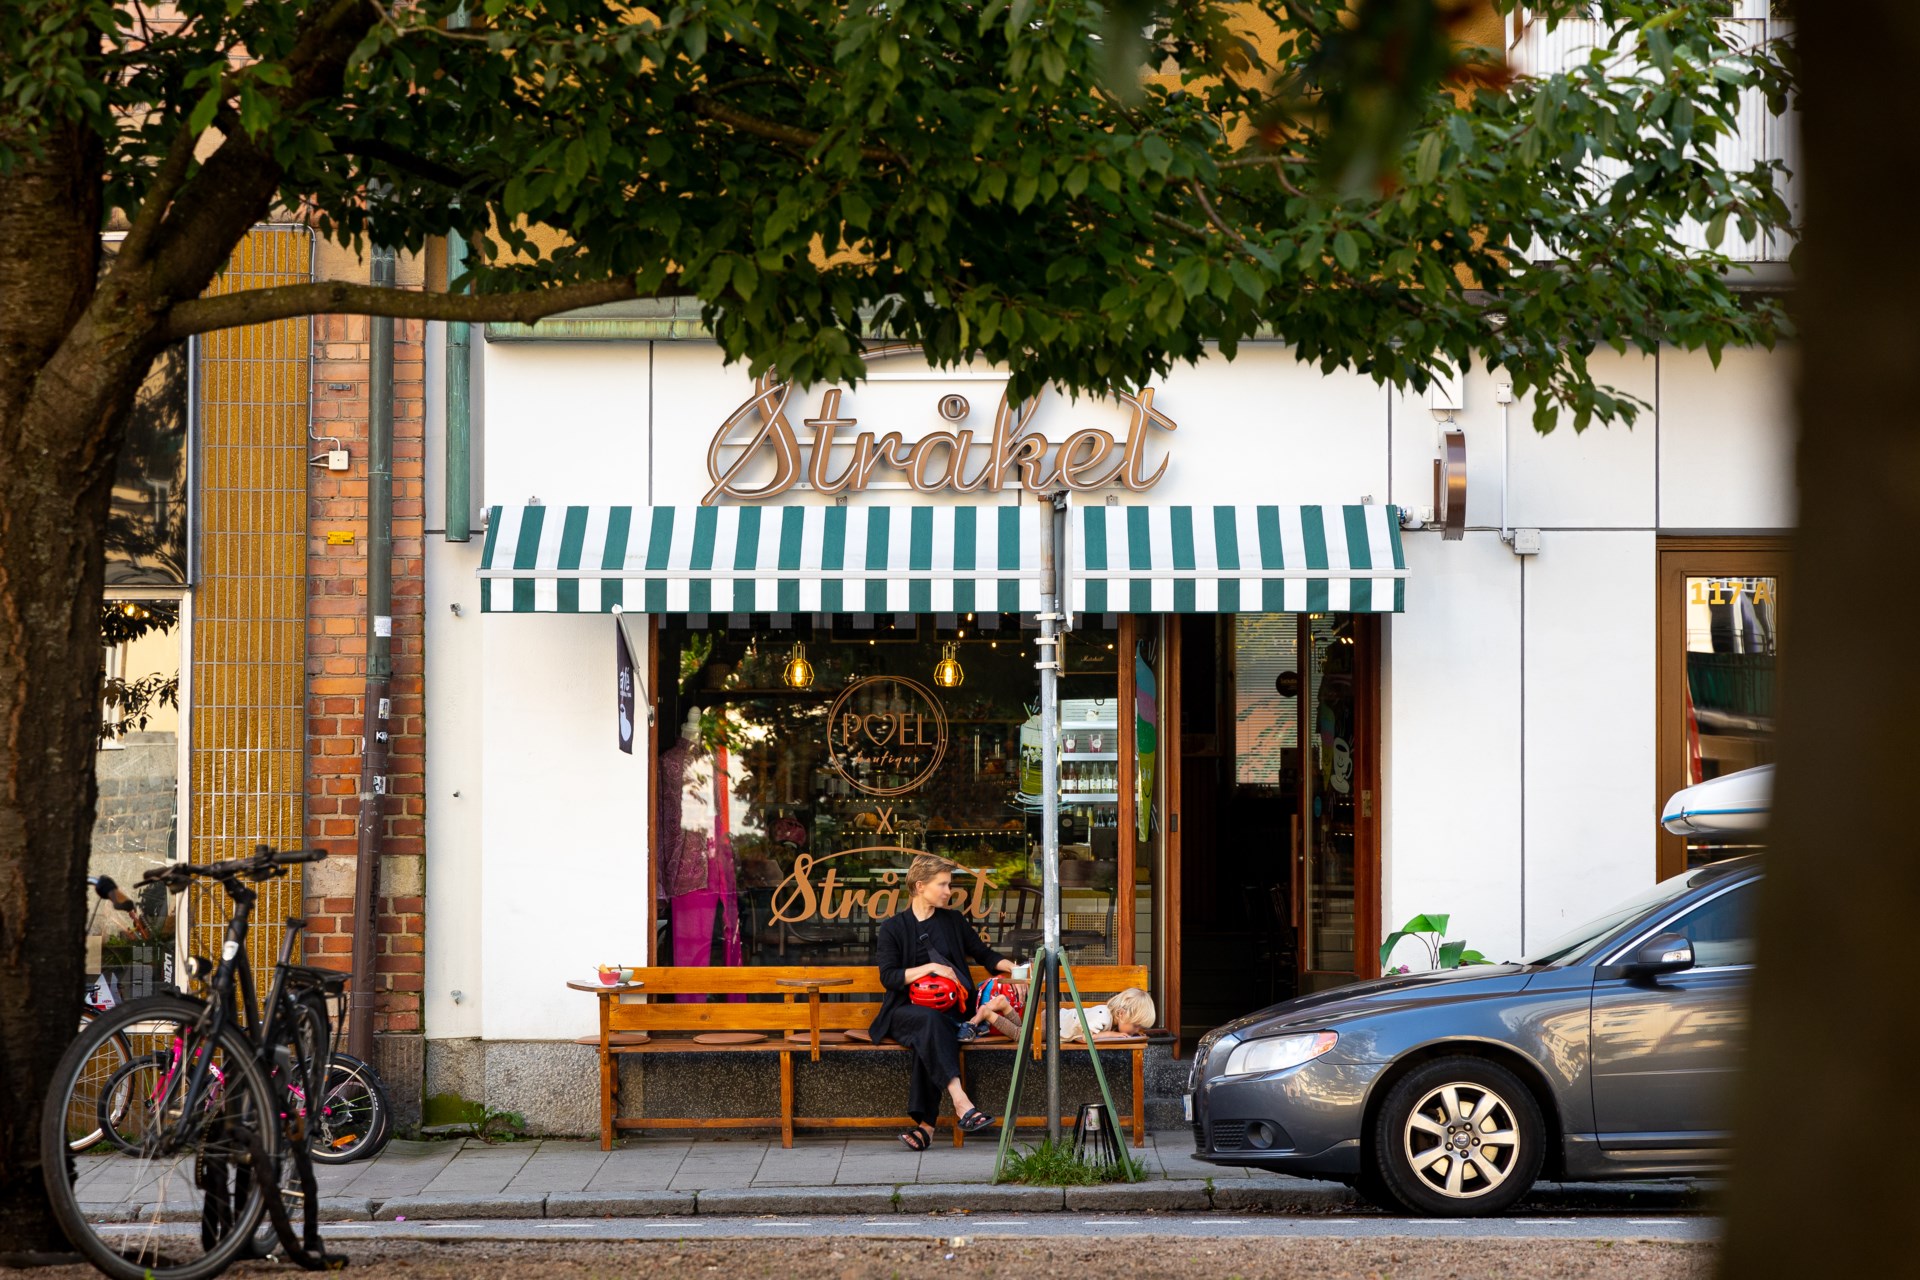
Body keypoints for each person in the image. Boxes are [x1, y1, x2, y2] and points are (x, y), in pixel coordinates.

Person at [870, 854, 1016, 1151]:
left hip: (952, 1012)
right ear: (920, 886)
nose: (949, 891)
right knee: (930, 1023)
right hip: (904, 1012)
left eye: (949, 884)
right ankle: (962, 1103)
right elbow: (889, 977)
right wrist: (930, 968)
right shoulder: (893, 928)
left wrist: (1017, 970)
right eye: (943, 884)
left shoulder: (953, 921)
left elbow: (985, 955)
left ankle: (926, 1127)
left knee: (931, 1033)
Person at [960, 983, 1155, 1042]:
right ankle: (988, 1014)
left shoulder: (1106, 1015)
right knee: (1021, 1036)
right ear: (1121, 1013)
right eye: (1135, 1025)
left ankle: (1003, 1005)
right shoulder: (1103, 1017)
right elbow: (1084, 1038)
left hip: (1054, 1019)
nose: (1135, 1030)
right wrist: (1111, 1035)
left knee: (1021, 1027)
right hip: (1053, 1026)